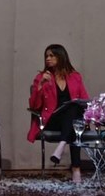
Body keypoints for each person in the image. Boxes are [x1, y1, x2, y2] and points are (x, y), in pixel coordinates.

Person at [27, 44, 89, 183]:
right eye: (46, 56)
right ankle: (76, 169)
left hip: (71, 121)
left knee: (73, 112)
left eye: (52, 56)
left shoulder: (75, 77)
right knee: (74, 119)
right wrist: (40, 86)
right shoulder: (41, 77)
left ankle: (62, 146)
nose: (48, 59)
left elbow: (84, 100)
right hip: (52, 120)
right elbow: (34, 106)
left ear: (61, 57)